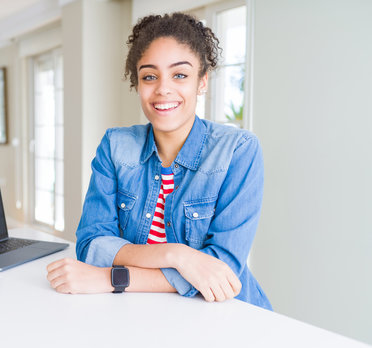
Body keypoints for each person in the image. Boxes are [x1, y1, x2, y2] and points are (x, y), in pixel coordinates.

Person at [46, 12, 272, 310]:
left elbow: (221, 272)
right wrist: (178, 255)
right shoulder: (116, 146)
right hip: (137, 314)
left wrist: (110, 278)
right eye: (149, 76)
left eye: (180, 75)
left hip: (223, 315)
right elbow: (92, 243)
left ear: (202, 81)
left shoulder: (238, 150)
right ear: (137, 83)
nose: (163, 89)